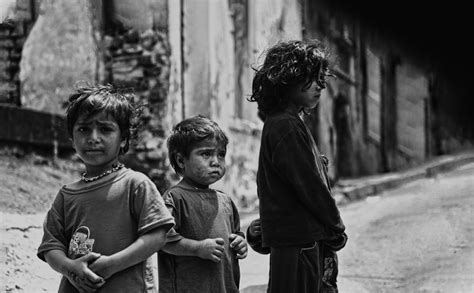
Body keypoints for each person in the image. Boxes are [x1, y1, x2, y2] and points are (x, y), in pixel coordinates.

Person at [37, 84, 175, 292]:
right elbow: (51, 247)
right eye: (83, 129)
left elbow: (157, 236)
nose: (93, 138)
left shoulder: (135, 184)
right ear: (72, 141)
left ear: (124, 139)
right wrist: (70, 268)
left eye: (105, 129)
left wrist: (111, 265)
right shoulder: (66, 195)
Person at [247, 39, 348, 293]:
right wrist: (336, 226)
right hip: (299, 244)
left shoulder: (287, 123)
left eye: (320, 80)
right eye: (311, 79)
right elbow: (310, 185)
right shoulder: (285, 126)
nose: (320, 87)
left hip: (299, 241)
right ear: (286, 80)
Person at [158, 115, 248, 293]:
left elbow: (236, 233)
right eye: (206, 154)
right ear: (181, 160)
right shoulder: (174, 198)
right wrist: (197, 248)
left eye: (221, 154)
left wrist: (240, 242)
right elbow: (161, 239)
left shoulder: (225, 201)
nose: (216, 161)